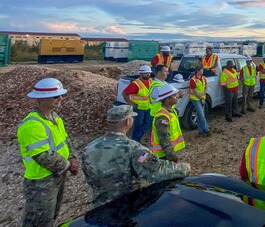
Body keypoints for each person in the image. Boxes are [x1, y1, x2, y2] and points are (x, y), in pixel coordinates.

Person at [82, 105, 190, 207]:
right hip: (128, 206)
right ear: (128, 121)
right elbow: (155, 172)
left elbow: (89, 176)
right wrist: (183, 168)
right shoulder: (133, 148)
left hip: (100, 207)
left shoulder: (89, 148)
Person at [17, 78, 79, 227]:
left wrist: (73, 157)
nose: (60, 99)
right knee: (38, 221)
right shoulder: (32, 125)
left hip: (57, 175)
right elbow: (43, 156)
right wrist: (68, 165)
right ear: (41, 99)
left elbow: (65, 140)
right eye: (56, 96)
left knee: (50, 216)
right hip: (41, 181)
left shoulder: (55, 118)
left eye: (61, 95)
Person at [150, 84, 186, 160]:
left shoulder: (171, 110)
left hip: (168, 152)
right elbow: (164, 139)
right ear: (167, 99)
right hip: (163, 155)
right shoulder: (162, 116)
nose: (177, 97)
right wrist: (172, 156)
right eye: (174, 95)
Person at [122, 64, 153, 142]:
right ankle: (135, 140)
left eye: (149, 73)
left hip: (148, 107)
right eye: (146, 73)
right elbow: (124, 93)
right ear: (141, 73)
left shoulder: (150, 81)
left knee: (148, 123)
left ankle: (137, 138)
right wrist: (130, 103)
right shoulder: (135, 84)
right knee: (137, 126)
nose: (148, 74)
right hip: (138, 108)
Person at [189, 66, 210, 136]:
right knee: (201, 114)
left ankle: (200, 131)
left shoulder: (203, 78)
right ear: (198, 71)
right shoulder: (193, 80)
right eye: (202, 70)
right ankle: (206, 129)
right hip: (195, 99)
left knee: (200, 114)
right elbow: (194, 91)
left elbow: (206, 86)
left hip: (201, 98)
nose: (203, 71)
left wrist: (203, 95)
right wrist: (201, 98)